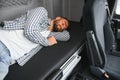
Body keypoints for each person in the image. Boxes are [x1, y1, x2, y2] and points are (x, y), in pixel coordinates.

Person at [0, 7, 70, 80]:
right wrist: (47, 42)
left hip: (8, 58)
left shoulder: (48, 34)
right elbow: (30, 31)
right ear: (58, 17)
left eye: (63, 28)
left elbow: (67, 36)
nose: (62, 27)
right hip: (3, 41)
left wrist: (50, 32)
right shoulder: (42, 13)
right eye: (63, 23)